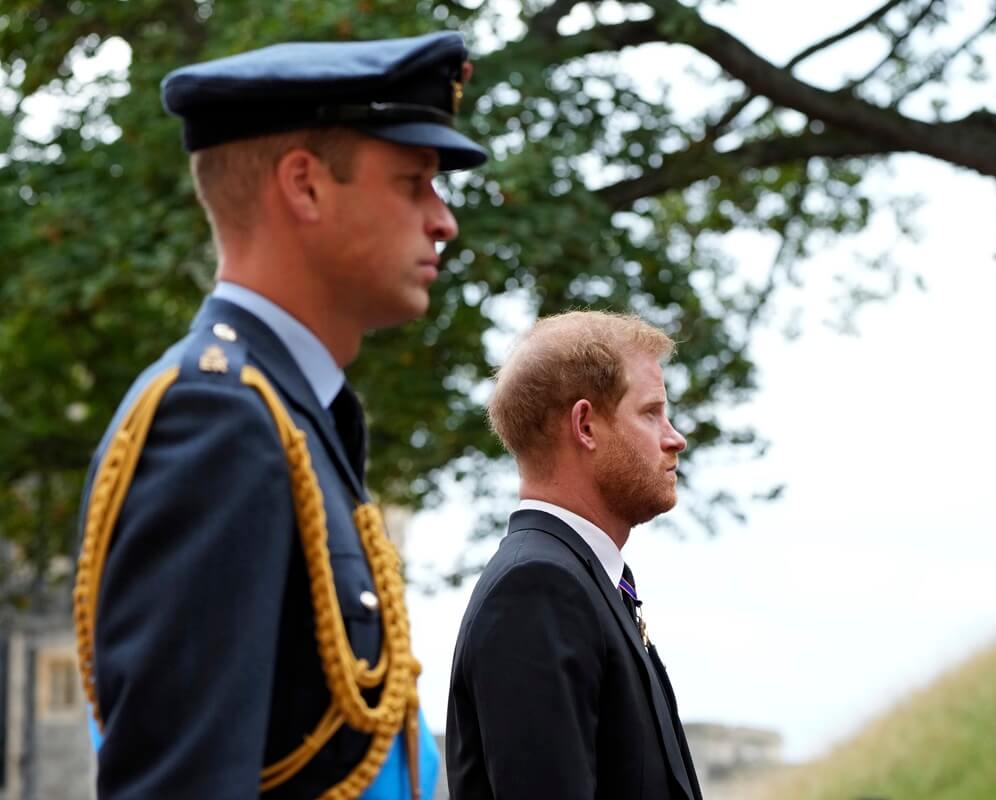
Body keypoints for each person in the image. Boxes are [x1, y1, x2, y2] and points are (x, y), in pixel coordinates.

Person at [72, 32, 487, 799]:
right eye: (413, 181)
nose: (443, 220)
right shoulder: (215, 417)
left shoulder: (292, 411)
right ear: (305, 186)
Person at [446, 311, 704, 800]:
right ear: (585, 425)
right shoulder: (539, 587)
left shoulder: (582, 580)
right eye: (651, 412)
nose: (675, 438)